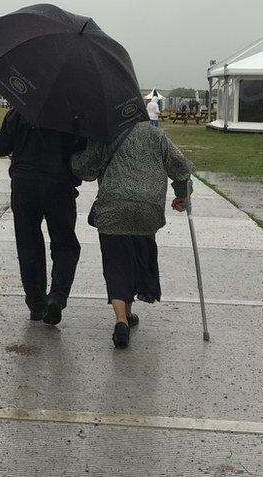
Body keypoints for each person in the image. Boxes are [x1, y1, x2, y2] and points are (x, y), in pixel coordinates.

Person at [71, 120, 193, 349]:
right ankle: (128, 314)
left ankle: (120, 320)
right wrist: (182, 194)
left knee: (116, 262)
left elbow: (84, 170)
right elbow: (180, 166)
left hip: (113, 208)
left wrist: (74, 152)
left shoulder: (105, 132)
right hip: (148, 208)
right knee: (137, 257)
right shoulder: (156, 135)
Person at [0, 108, 84, 325]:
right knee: (65, 244)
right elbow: (83, 153)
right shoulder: (73, 114)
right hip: (59, 184)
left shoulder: (20, 111)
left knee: (28, 244)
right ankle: (58, 296)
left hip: (24, 183)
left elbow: (0, 145)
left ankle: (36, 304)